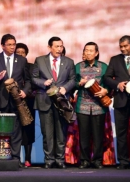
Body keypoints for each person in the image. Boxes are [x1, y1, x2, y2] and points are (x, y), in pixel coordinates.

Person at [0, 34, 31, 168]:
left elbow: (28, 80)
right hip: (0, 100)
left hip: (17, 100)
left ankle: (16, 158)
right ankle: (1, 156)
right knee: (1, 130)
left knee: (17, 130)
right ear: (2, 46)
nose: (13, 47)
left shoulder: (21, 60)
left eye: (14, 44)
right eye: (9, 44)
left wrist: (25, 90)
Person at [31, 36, 75, 169]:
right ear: (49, 47)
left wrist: (65, 88)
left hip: (62, 102)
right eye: (56, 46)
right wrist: (43, 83)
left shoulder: (69, 61)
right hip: (45, 100)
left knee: (61, 132)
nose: (59, 49)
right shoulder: (40, 60)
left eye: (61, 46)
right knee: (47, 133)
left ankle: (60, 159)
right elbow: (34, 78)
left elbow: (73, 79)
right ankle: (49, 160)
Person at [104, 35, 130, 169]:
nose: (123, 49)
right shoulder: (115, 60)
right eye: (121, 46)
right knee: (121, 133)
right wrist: (117, 84)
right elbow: (107, 78)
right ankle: (123, 161)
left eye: (125, 46)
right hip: (121, 102)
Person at [75, 42, 108, 169]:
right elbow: (73, 82)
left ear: (96, 53)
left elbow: (109, 82)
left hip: (99, 106)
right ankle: (84, 160)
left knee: (98, 135)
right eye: (86, 50)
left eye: (90, 50)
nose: (88, 53)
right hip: (82, 105)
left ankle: (97, 160)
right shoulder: (78, 67)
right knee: (83, 135)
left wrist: (105, 90)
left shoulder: (103, 67)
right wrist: (79, 83)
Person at [15, 43, 35, 168]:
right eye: (18, 52)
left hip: (29, 102)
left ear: (26, 54)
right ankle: (15, 158)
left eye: (23, 52)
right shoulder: (13, 66)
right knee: (16, 131)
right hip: (15, 102)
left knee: (28, 131)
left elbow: (34, 83)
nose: (20, 54)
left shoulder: (32, 67)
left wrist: (27, 93)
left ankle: (27, 158)